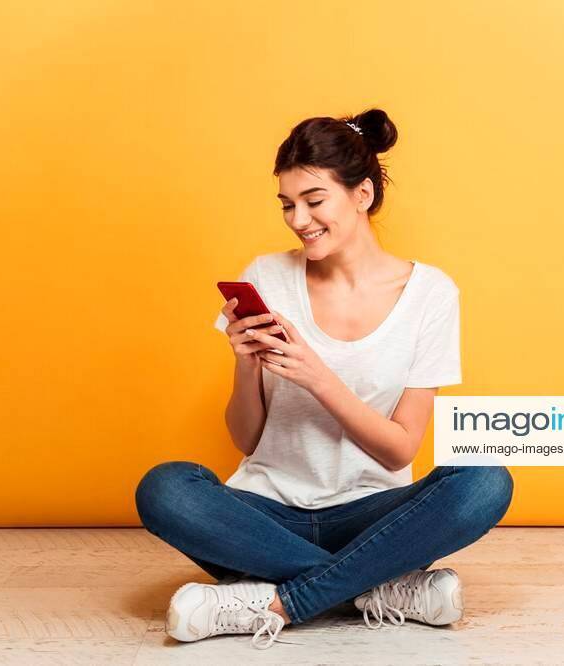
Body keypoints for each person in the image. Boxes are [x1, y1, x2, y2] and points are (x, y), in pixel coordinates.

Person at [135, 108, 514, 650]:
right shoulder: (266, 275)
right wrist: (245, 365)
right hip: (266, 516)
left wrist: (320, 378)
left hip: (371, 517)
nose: (298, 219)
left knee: (484, 480)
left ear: (361, 194)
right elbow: (245, 440)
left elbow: (399, 451)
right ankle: (374, 588)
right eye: (288, 205)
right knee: (166, 488)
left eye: (314, 201)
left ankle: (276, 602)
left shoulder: (431, 295)